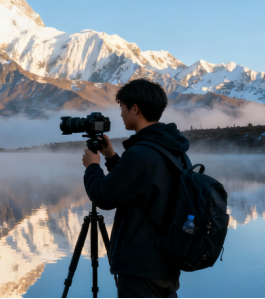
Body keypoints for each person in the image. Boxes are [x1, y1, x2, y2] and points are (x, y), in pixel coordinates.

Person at [81, 79, 189, 298]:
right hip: (167, 265)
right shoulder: (174, 149)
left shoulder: (140, 153)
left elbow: (103, 196)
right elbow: (140, 183)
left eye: (122, 107)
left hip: (141, 270)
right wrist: (111, 157)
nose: (120, 114)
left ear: (135, 108)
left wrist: (93, 167)